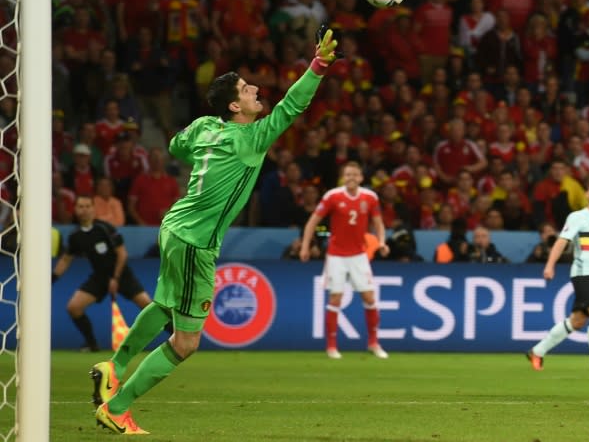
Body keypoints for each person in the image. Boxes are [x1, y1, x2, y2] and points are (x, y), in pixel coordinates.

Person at [90, 27, 339, 434]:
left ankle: (113, 367)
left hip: (174, 226)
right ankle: (117, 407)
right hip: (195, 242)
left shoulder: (206, 126)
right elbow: (292, 106)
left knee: (166, 305)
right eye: (245, 89)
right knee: (186, 343)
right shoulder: (250, 140)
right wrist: (318, 66)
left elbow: (175, 146)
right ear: (234, 107)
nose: (255, 89)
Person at [527, 174, 589, 373]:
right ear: (586, 193)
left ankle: (537, 351)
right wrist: (550, 265)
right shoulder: (577, 217)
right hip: (582, 272)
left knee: (577, 320)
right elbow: (562, 241)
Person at [299, 161, 390, 359]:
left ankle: (373, 343)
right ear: (343, 177)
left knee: (369, 298)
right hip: (336, 256)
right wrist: (305, 246)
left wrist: (382, 242)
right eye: (347, 174)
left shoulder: (370, 197)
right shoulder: (333, 196)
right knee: (335, 298)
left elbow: (378, 223)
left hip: (359, 255)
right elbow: (313, 222)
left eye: (354, 175)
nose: (351, 178)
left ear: (361, 178)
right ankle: (331, 346)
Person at [52, 195, 152, 352]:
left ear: (93, 209)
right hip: (99, 277)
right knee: (74, 307)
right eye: (80, 207)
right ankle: (92, 344)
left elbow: (122, 254)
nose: (84, 210)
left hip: (122, 275)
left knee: (148, 306)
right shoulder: (75, 236)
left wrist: (115, 278)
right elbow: (65, 259)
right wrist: (53, 278)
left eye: (87, 206)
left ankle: (176, 338)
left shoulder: (105, 228)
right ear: (76, 210)